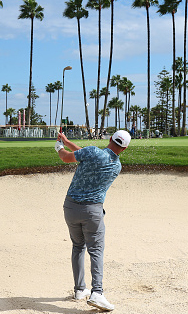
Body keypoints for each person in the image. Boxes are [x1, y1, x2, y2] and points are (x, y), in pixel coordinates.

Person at [55, 129, 131, 312]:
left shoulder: (92, 152)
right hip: (92, 212)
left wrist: (59, 147)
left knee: (78, 246)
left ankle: (80, 290)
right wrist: (67, 141)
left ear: (110, 138)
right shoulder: (116, 166)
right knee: (96, 250)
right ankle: (97, 292)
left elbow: (68, 157)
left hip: (70, 207)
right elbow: (89, 155)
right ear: (125, 148)